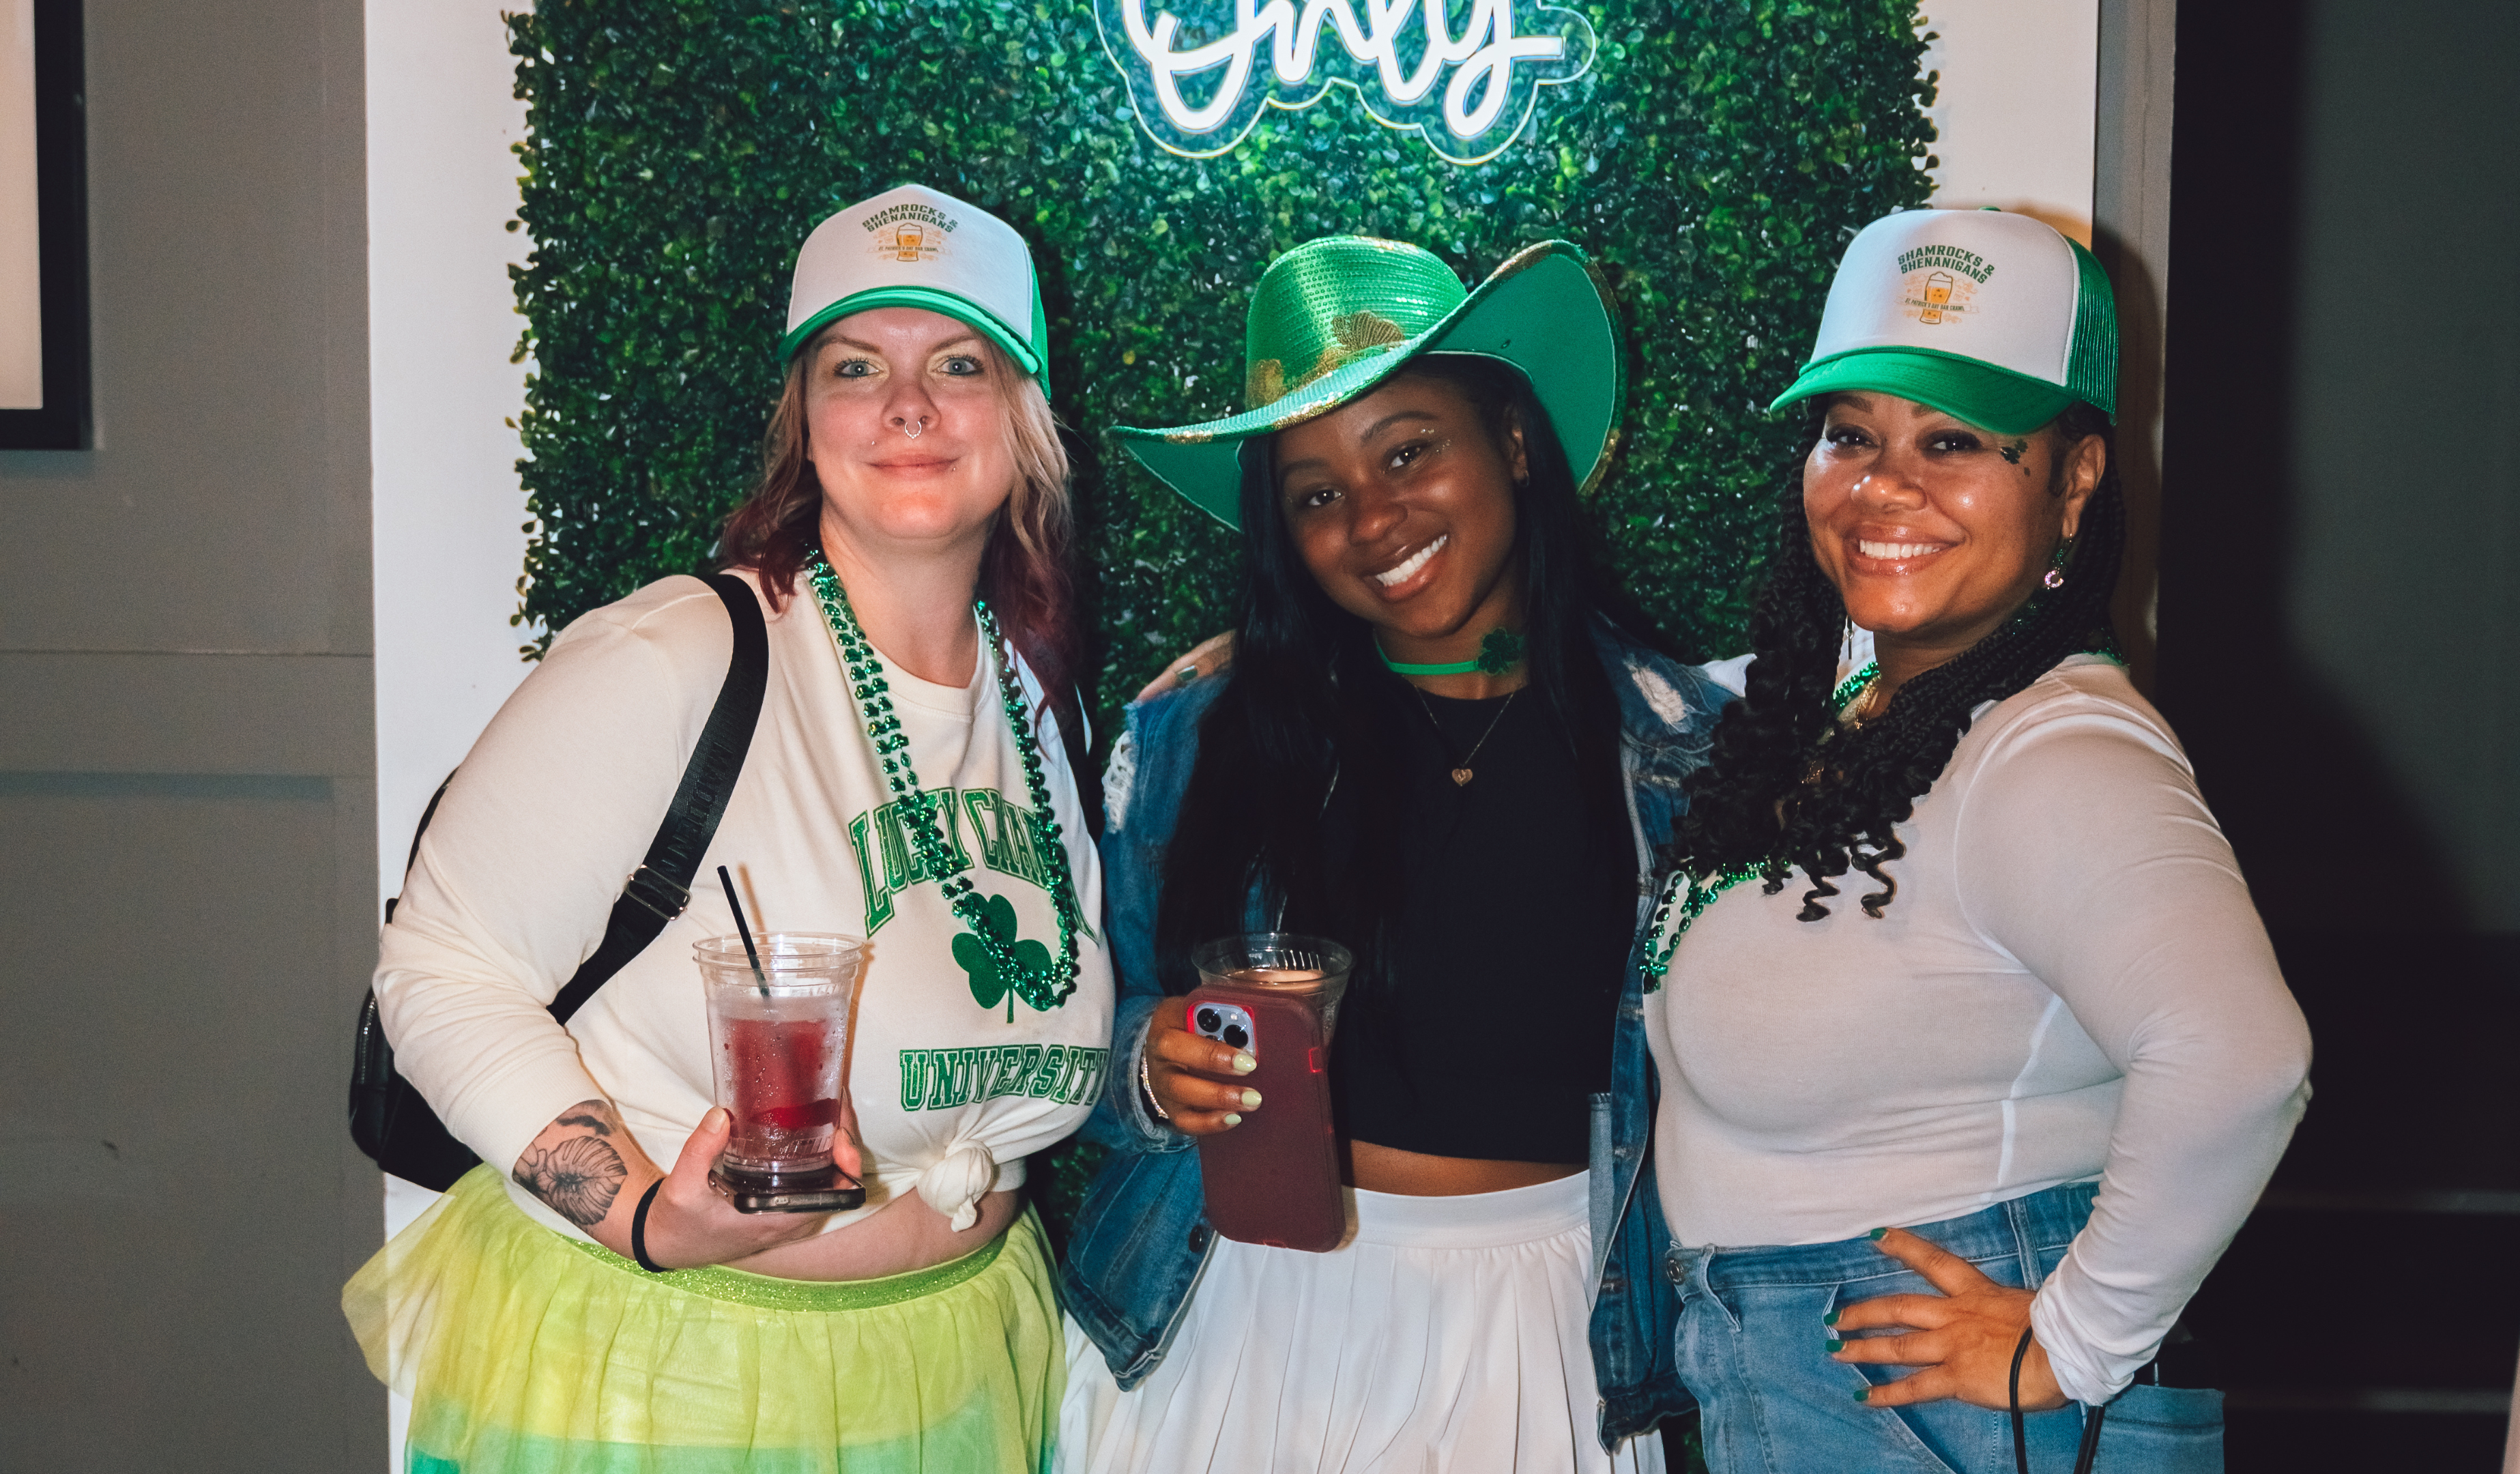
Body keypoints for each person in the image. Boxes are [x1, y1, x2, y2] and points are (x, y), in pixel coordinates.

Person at [343, 184, 1112, 1473]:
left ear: (1027, 423)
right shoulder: (680, 654)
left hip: (965, 1372)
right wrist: (647, 1217)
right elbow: (442, 969)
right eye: (856, 366)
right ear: (803, 424)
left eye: (962, 364)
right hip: (674, 1385)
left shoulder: (1036, 700)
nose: (909, 406)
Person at [1642, 207, 2311, 1473]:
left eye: (1953, 443)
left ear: (2074, 479)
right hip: (1831, 1383)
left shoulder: (2057, 752)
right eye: (1852, 437)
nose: (1884, 489)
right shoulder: (1866, 710)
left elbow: (2241, 1060)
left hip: (1931, 1409)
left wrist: (2076, 1339)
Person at [1057, 235, 1725, 1473]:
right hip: (1229, 1320)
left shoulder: (1684, 755)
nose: (1371, 518)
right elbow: (1064, 1032)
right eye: (1315, 494)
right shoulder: (1199, 741)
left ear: (1514, 446)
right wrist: (1148, 1064)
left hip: (1537, 1337)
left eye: (1409, 450)